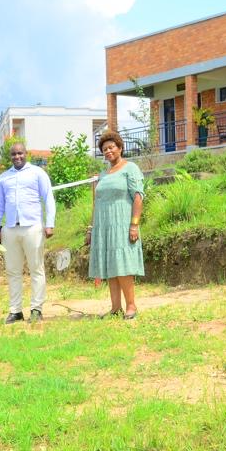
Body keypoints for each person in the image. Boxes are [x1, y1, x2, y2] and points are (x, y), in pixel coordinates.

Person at [0, 142, 55, 323]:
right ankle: (15, 311)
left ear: (26, 154)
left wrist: (50, 224)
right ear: (10, 156)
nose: (17, 157)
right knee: (13, 271)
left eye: (20, 153)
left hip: (32, 227)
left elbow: (48, 198)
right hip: (10, 229)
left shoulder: (37, 173)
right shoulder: (4, 178)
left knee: (36, 269)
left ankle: (36, 309)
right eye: (14, 154)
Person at [87, 130, 145, 319]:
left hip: (122, 224)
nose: (108, 151)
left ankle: (131, 306)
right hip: (104, 227)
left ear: (120, 148)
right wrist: (91, 229)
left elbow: (138, 197)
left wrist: (134, 224)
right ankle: (115, 307)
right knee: (110, 265)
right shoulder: (102, 175)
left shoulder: (130, 168)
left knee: (122, 264)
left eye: (111, 147)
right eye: (104, 149)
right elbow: (96, 204)